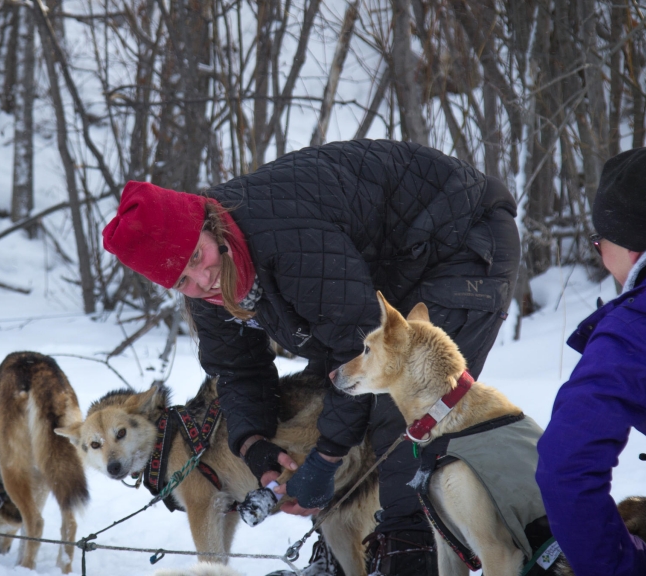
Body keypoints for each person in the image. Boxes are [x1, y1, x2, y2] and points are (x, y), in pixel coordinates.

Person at [102, 139, 520, 576]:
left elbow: (352, 340)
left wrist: (327, 458)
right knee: (328, 391)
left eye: (196, 258)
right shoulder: (211, 295)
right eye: (182, 279)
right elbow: (238, 370)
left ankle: (409, 552)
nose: (203, 279)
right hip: (388, 270)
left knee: (403, 406)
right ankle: (346, 547)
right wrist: (253, 444)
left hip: (460, 236)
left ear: (209, 226)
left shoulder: (279, 233)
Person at [536, 142, 646, 576]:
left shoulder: (641, 326)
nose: (600, 254)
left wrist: (622, 566)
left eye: (600, 241)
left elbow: (567, 466)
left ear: (633, 249)